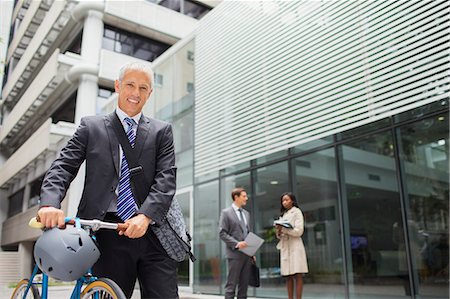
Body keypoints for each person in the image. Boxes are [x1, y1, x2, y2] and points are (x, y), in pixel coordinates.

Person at [37, 61, 179, 299]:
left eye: (143, 88)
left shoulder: (161, 131)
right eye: (130, 85)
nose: (136, 93)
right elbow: (63, 167)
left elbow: (166, 179)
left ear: (150, 93)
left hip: (153, 232)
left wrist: (145, 216)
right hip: (106, 230)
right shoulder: (91, 127)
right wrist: (50, 203)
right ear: (117, 86)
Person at [219, 187, 253, 299]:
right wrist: (237, 244)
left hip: (247, 254)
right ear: (236, 197)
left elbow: (248, 233)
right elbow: (222, 233)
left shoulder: (246, 214)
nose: (246, 198)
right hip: (234, 254)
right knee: (231, 285)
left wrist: (252, 252)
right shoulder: (226, 213)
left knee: (244, 286)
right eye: (244, 196)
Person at [275, 192, 308, 299]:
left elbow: (299, 231)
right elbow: (279, 236)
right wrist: (279, 231)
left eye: (287, 200)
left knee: (297, 275)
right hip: (285, 246)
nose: (284, 202)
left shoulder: (297, 212)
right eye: (283, 201)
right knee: (288, 276)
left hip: (295, 247)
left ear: (292, 201)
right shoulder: (283, 215)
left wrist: (285, 229)